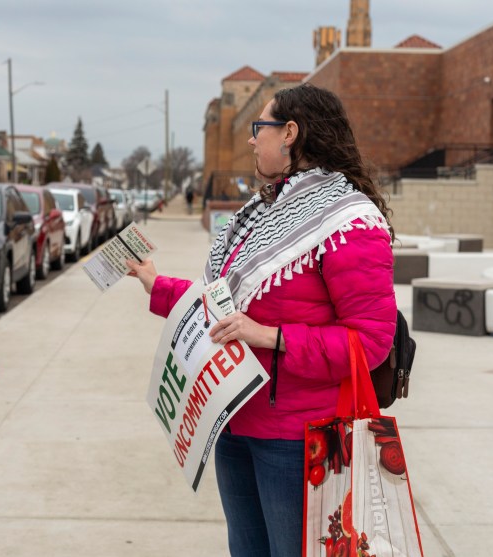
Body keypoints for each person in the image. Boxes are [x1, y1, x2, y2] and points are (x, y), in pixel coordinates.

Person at [126, 83, 396, 556]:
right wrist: (158, 285)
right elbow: (225, 305)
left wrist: (270, 337)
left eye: (260, 129)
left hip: (295, 438)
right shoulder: (262, 213)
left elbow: (370, 342)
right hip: (232, 419)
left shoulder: (348, 221)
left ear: (290, 133)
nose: (252, 141)